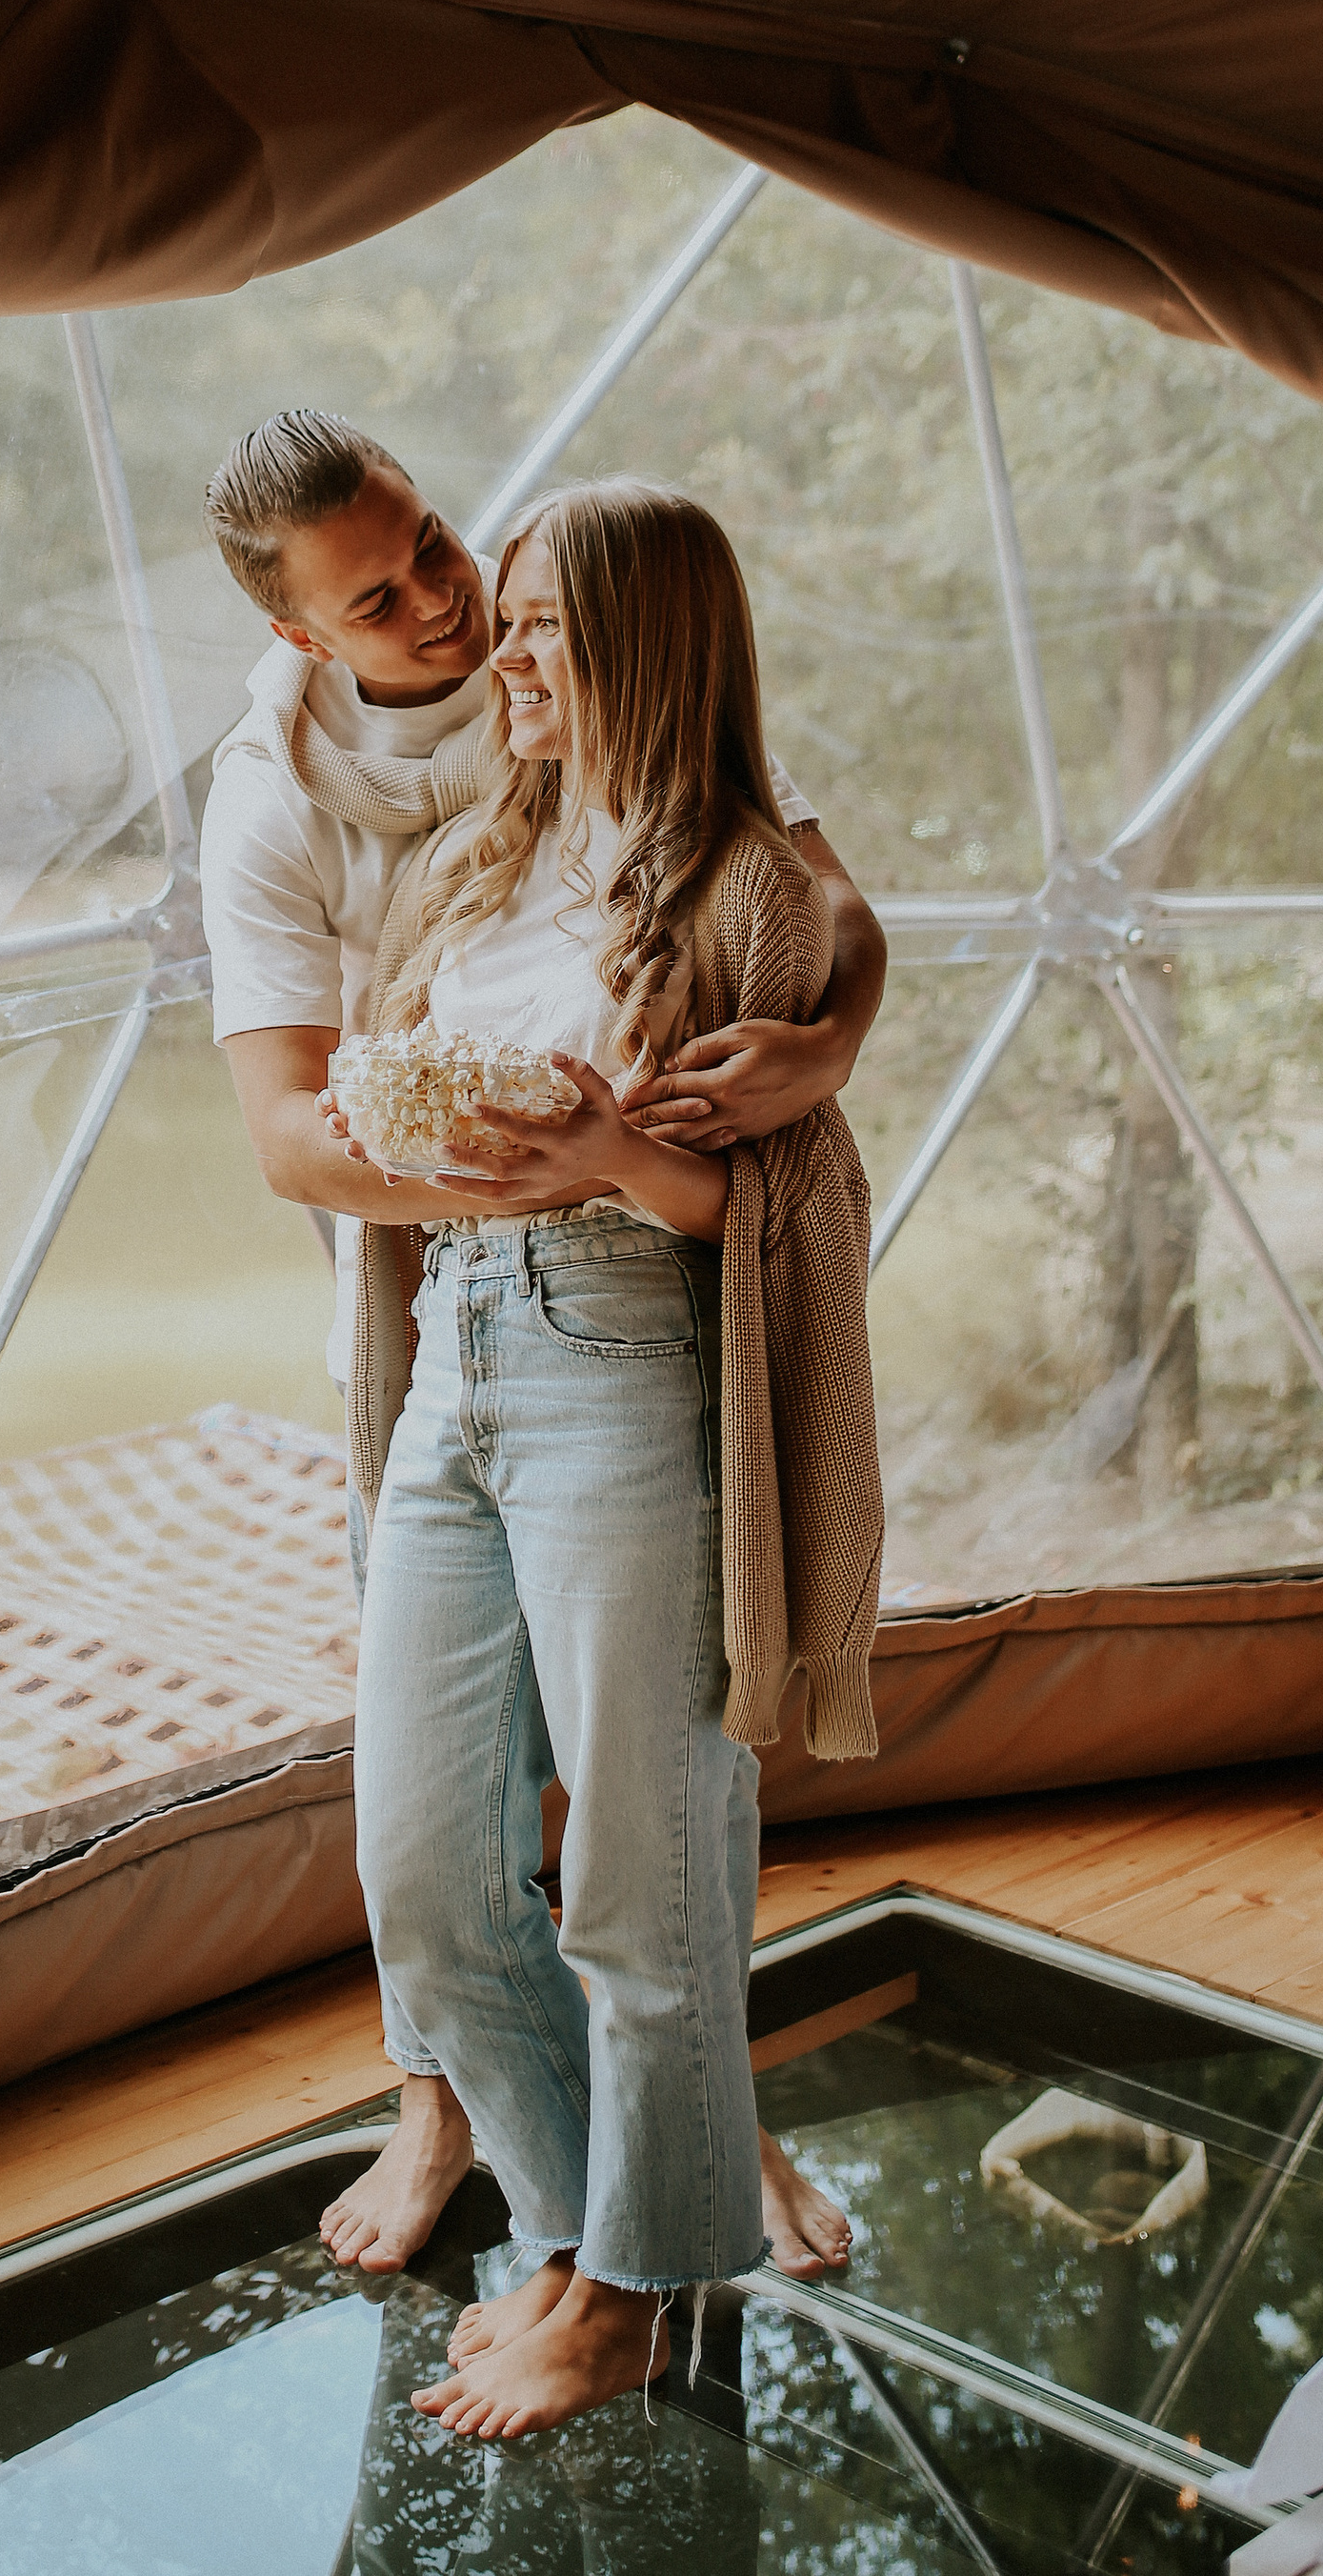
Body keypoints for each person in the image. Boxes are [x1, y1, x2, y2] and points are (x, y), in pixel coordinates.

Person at [198, 410, 885, 2286]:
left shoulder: (710, 843)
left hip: (621, 1351)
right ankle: (571, 2203)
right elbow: (287, 1129)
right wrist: (476, 1157)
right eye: (390, 593)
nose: (446, 605)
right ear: (306, 634)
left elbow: (815, 980)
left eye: (449, 555)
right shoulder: (331, 816)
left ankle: (621, 2277)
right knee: (432, 1876)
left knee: (638, 1875)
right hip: (448, 1345)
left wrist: (739, 1085)